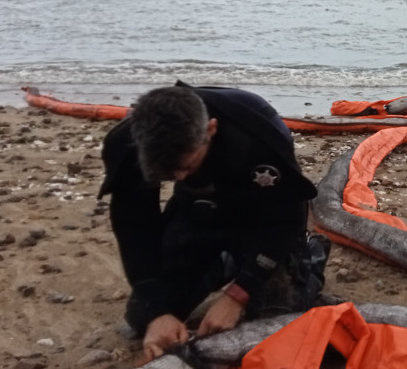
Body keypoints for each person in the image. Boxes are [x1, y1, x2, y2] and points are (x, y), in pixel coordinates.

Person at [98, 82, 329, 364]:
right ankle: (224, 262)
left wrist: (238, 294)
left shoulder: (258, 138)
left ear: (211, 129)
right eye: (168, 174)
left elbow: (285, 219)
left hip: (263, 217)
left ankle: (312, 253)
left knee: (279, 311)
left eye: (187, 166)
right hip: (198, 211)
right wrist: (157, 311)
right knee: (141, 315)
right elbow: (134, 225)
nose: (179, 177)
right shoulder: (128, 143)